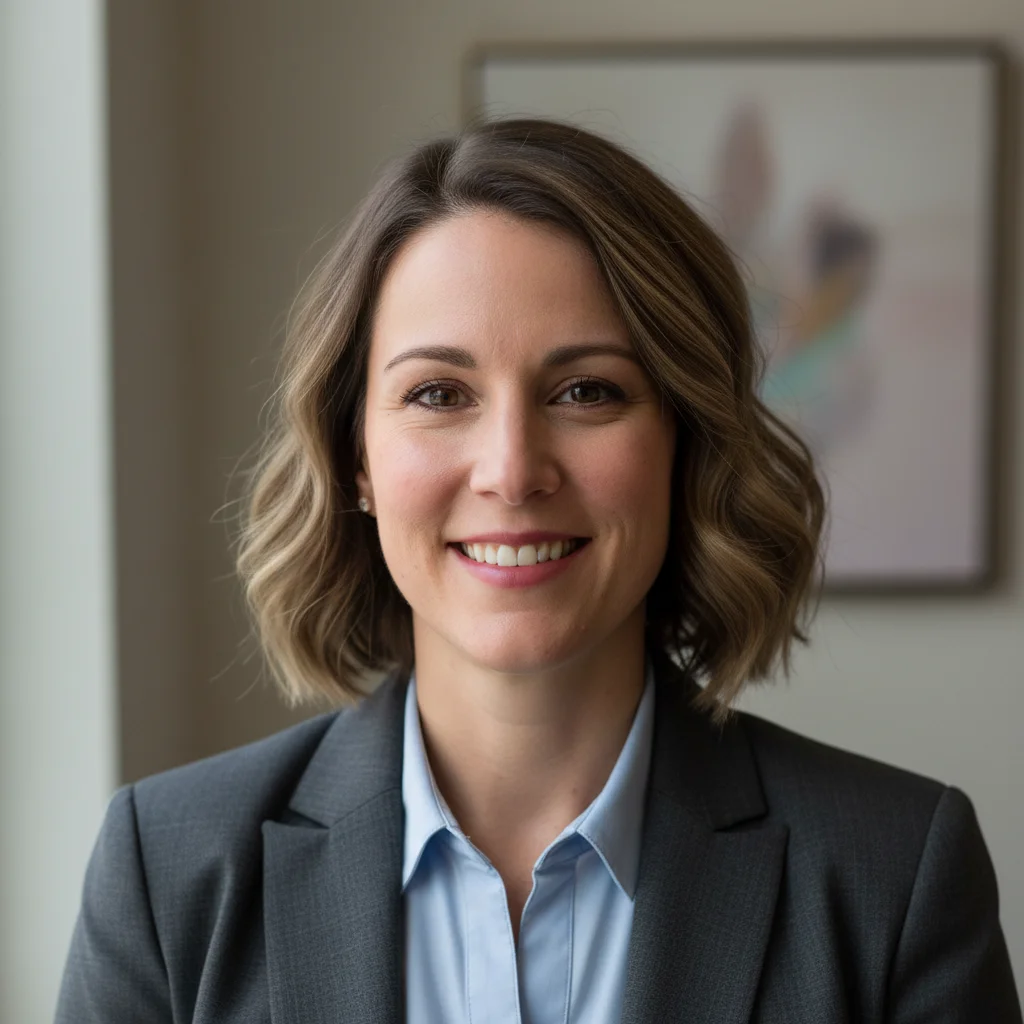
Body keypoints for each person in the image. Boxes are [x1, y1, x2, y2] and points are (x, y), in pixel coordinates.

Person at [55, 116, 1021, 1023]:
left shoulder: (895, 872)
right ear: (355, 456)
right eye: (439, 393)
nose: (513, 470)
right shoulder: (168, 873)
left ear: (684, 440)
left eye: (587, 391)